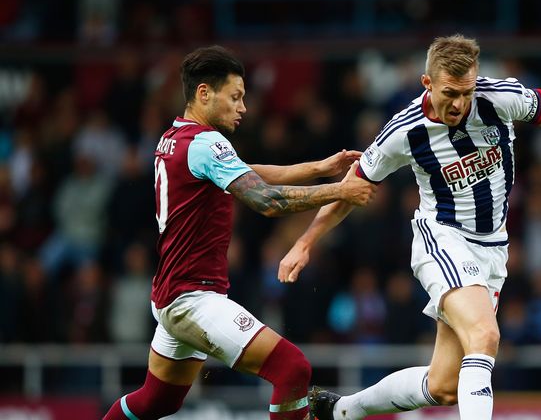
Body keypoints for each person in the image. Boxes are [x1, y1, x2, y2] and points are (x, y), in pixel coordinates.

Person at [278, 34, 541, 420]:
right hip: (442, 238)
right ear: (427, 83)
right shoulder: (403, 131)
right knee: (486, 335)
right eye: (450, 93)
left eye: (467, 92)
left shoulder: (499, 98)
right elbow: (350, 190)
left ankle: (338, 410)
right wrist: (305, 242)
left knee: (443, 387)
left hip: (493, 249)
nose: (459, 103)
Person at [103, 45, 376, 420]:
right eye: (235, 97)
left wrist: (319, 167)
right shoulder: (206, 143)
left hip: (171, 293)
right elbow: (267, 201)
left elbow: (250, 172)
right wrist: (340, 190)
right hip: (193, 299)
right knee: (293, 369)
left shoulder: (175, 137)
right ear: (204, 93)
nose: (243, 107)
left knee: (157, 401)